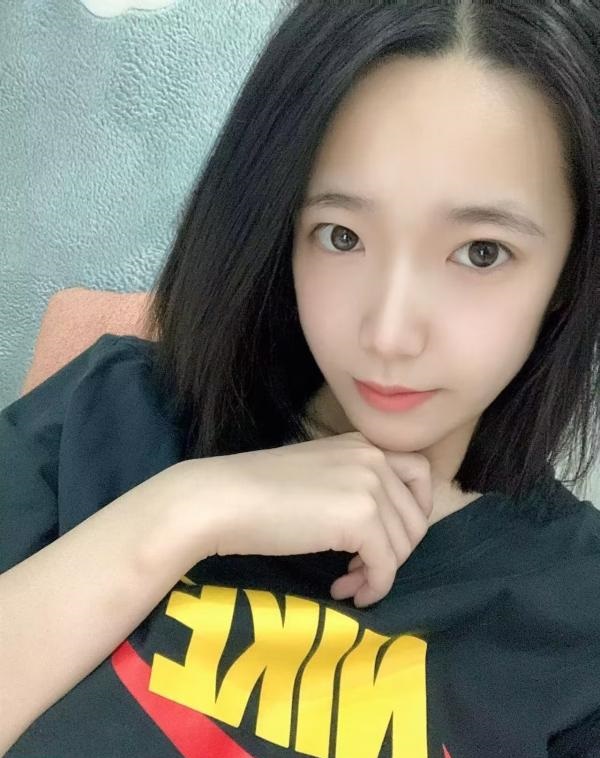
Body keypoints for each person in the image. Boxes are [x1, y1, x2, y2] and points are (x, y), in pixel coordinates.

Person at [1, 1, 599, 756]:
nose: (389, 334)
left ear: (570, 269)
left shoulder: (577, 610)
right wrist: (183, 511)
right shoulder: (110, 415)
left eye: (481, 252)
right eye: (341, 235)